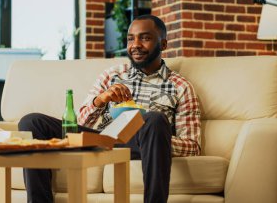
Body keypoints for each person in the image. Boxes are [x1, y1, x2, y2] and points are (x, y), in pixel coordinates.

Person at [18, 14, 201, 203]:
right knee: (31, 121)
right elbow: (78, 123)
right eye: (131, 38)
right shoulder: (112, 74)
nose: (135, 44)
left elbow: (193, 147)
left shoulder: (180, 87)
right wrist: (101, 100)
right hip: (98, 139)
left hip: (139, 145)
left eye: (145, 38)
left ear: (163, 44)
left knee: (154, 119)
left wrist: (155, 139)